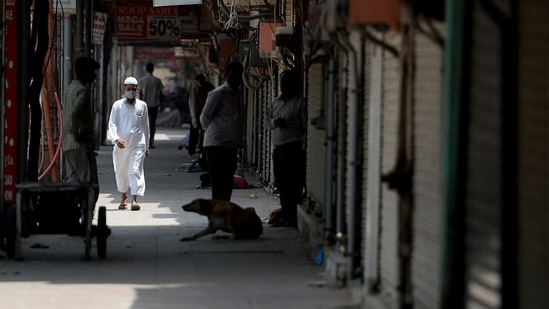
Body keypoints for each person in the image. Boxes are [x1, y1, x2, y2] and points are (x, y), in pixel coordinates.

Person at [264, 70, 307, 227]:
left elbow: (305, 127)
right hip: (279, 149)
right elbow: (266, 120)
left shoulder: (300, 103)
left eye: (287, 83)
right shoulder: (276, 103)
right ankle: (285, 213)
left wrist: (303, 149)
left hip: (294, 148)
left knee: (293, 185)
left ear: (294, 84)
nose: (283, 86)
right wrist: (275, 122)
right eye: (282, 83)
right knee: (282, 184)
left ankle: (292, 217)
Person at [200, 62, 245, 201]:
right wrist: (212, 131)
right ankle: (217, 214)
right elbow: (205, 116)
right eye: (232, 75)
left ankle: (224, 210)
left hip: (230, 146)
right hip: (216, 145)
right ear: (225, 75)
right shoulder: (219, 93)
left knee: (227, 182)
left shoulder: (238, 94)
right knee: (219, 183)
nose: (236, 78)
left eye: (238, 75)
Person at [62, 56, 101, 203]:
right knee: (90, 186)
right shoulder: (83, 91)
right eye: (92, 72)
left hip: (68, 145)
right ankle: (87, 218)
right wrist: (78, 135)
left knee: (74, 183)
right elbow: (75, 112)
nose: (95, 76)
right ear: (85, 72)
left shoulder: (69, 89)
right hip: (80, 145)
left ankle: (72, 215)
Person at [109, 76, 150, 211]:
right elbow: (112, 124)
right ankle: (123, 197)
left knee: (134, 170)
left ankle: (134, 199)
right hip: (122, 145)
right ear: (124, 89)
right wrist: (116, 138)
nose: (131, 91)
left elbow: (146, 127)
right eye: (129, 89)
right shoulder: (117, 105)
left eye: (134, 89)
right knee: (121, 171)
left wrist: (147, 147)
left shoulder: (142, 105)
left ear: (137, 90)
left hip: (138, 144)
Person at [186, 74, 214, 155]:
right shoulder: (209, 85)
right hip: (205, 112)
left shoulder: (191, 86)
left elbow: (187, 97)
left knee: (194, 131)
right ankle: (202, 149)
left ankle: (191, 150)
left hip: (195, 112)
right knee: (204, 131)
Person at [139, 62, 164, 148]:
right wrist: (161, 104)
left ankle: (143, 142)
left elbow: (140, 93)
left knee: (143, 124)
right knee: (152, 124)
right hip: (154, 104)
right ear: (153, 69)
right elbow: (160, 93)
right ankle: (150, 142)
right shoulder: (157, 80)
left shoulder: (142, 80)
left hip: (144, 105)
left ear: (146, 69)